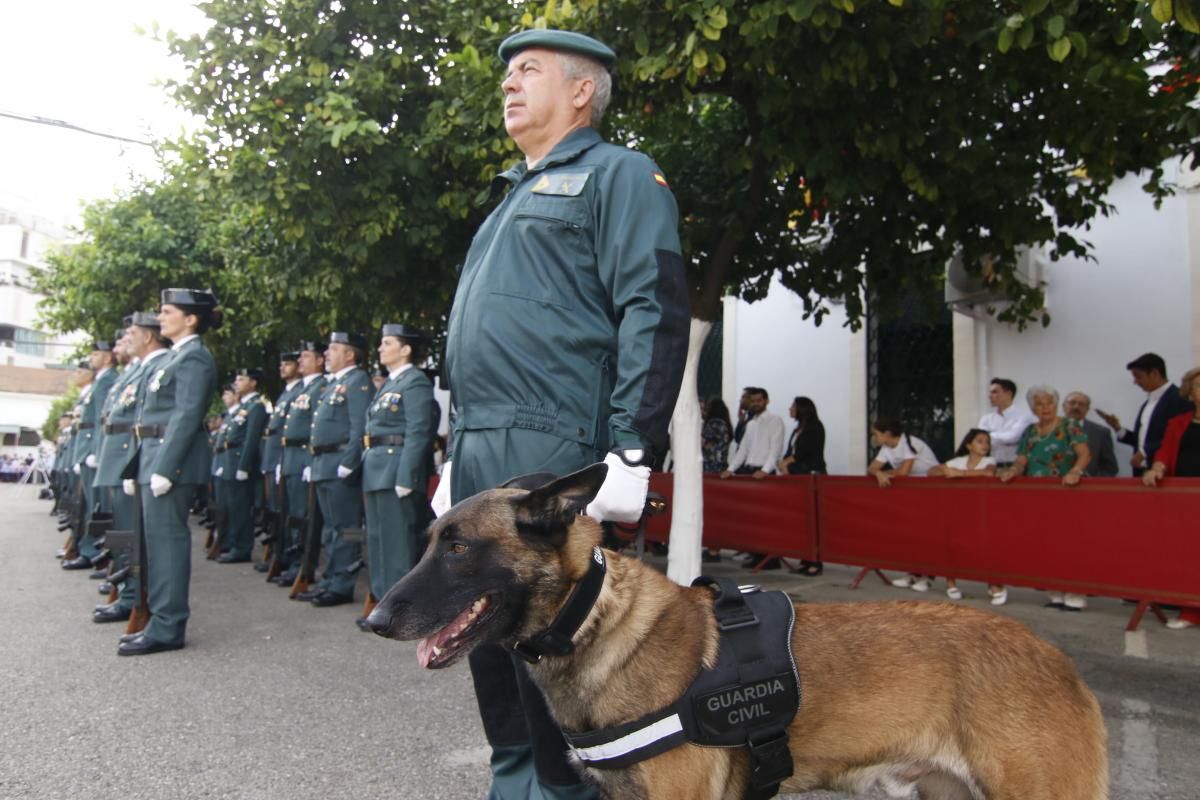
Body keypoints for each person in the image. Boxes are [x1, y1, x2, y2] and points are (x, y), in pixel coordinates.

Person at [432, 28, 688, 800]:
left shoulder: (621, 176)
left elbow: (655, 308)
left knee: (554, 643)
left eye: (529, 71)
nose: (509, 84)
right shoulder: (512, 192)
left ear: (582, 90)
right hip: (483, 442)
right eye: (507, 73)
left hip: (554, 447)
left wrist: (631, 452)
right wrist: (456, 454)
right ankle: (511, 783)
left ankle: (560, 788)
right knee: (486, 636)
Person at [120, 288, 219, 655]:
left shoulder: (194, 358)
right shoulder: (172, 358)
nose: (160, 317)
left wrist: (167, 467)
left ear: (190, 318)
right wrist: (137, 466)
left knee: (167, 546)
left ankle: (168, 626)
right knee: (155, 546)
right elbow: (147, 420)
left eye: (167, 311)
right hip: (152, 457)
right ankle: (158, 620)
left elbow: (186, 415)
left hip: (168, 462)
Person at [360, 324, 435, 630]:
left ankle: (401, 612)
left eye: (387, 343)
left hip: (395, 469)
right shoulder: (391, 382)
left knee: (398, 543)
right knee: (378, 540)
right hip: (376, 468)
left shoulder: (414, 381)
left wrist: (408, 475)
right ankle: (381, 604)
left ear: (406, 349)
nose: (381, 348)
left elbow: (418, 430)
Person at [296, 331, 373, 607]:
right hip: (323, 464)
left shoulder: (357, 381)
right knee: (330, 528)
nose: (327, 353)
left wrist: (349, 462)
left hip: (340, 464)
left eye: (333, 349)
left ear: (350, 354)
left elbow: (359, 427)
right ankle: (329, 579)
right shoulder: (333, 384)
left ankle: (343, 583)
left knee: (347, 528)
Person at [999, 385, 1091, 611]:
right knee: (1045, 543)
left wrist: (1075, 471)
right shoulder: (1030, 431)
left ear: (1056, 404)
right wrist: (1013, 470)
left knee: (1070, 543)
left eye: (1049, 402)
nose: (1044, 407)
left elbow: (1084, 454)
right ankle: (1055, 592)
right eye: (1039, 404)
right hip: (1037, 497)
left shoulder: (1070, 426)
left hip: (1068, 494)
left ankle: (1076, 592)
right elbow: (1022, 459)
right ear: (1032, 408)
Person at [1140, 366, 1200, 630]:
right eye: (1199, 386)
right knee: (1189, 554)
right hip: (1185, 501)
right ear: (1191, 393)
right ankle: (1190, 611)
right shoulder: (1179, 422)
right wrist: (1157, 467)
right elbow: (1164, 452)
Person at [272, 341, 328, 588]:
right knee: (292, 515)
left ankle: (303, 567)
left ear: (318, 361)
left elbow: (316, 430)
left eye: (306, 357)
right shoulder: (301, 390)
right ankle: (294, 562)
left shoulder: (321, 387)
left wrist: (308, 461)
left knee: (305, 518)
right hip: (291, 458)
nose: (301, 361)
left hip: (305, 458)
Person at [868, 417, 941, 591]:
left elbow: (903, 472)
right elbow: (872, 468)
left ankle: (928, 577)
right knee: (911, 534)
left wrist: (883, 472)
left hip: (930, 492)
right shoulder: (886, 448)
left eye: (875, 434)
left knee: (927, 536)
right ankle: (913, 573)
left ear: (886, 434)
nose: (873, 438)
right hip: (911, 494)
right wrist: (878, 474)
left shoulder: (908, 442)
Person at [1097, 353, 1194, 476]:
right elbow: (1144, 439)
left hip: (1164, 471)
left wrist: (1145, 452)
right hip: (1142, 471)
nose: (1135, 382)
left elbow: (1180, 436)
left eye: (1138, 376)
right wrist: (1118, 429)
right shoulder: (1147, 403)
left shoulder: (1179, 398)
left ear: (1154, 373)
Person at [929, 428, 997, 602]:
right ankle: (951, 583)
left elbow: (989, 472)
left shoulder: (989, 460)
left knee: (984, 546)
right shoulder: (958, 461)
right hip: (958, 510)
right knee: (953, 545)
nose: (985, 445)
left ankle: (994, 584)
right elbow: (932, 471)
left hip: (981, 510)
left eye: (987, 442)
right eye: (980, 441)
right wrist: (946, 471)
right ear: (969, 445)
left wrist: (961, 474)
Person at [215, 368, 268, 563]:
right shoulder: (242, 407)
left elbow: (251, 438)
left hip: (240, 461)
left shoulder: (257, 406)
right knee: (232, 507)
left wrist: (244, 466)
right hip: (230, 460)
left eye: (241, 379)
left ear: (253, 383)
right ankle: (233, 544)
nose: (237, 382)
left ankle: (242, 548)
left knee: (241, 508)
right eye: (236, 378)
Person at [257, 352, 302, 573]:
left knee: (296, 515)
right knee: (278, 512)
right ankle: (282, 555)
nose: (283, 367)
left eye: (288, 363)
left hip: (297, 459)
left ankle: (294, 562)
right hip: (280, 458)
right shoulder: (287, 394)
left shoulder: (303, 390)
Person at [778, 396, 826, 576]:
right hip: (797, 476)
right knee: (802, 521)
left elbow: (803, 452)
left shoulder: (814, 428)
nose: (790, 409)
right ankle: (805, 559)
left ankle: (815, 562)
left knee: (813, 521)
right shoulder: (798, 429)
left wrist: (786, 463)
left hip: (810, 475)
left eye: (793, 406)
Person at [721, 387, 786, 480]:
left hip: (766, 473)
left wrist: (765, 471)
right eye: (752, 401)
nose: (755, 404)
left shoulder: (775, 421)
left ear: (767, 401)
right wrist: (730, 469)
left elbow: (775, 450)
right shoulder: (750, 424)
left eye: (759, 400)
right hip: (748, 472)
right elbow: (743, 450)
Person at [700, 396, 732, 563]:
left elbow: (703, 443)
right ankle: (714, 549)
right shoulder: (725, 424)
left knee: (711, 512)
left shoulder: (713, 424)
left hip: (710, 471)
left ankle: (713, 550)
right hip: (720, 469)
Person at [977, 378, 1035, 466]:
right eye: (990, 392)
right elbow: (980, 442)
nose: (990, 396)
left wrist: (989, 435)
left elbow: (1012, 437)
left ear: (1008, 394)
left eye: (994, 392)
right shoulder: (986, 419)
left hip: (1015, 466)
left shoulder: (1024, 416)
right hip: (989, 466)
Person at [1062, 391, 1119, 477]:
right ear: (1064, 406)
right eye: (1072, 403)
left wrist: (1093, 483)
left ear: (1087, 409)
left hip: (1088, 486)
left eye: (1081, 404)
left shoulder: (1101, 432)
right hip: (1054, 484)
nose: (1076, 406)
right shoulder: (1048, 429)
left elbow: (1110, 467)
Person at [701, 396, 732, 474]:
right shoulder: (725, 424)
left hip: (710, 463)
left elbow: (704, 441)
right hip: (722, 462)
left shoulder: (713, 424)